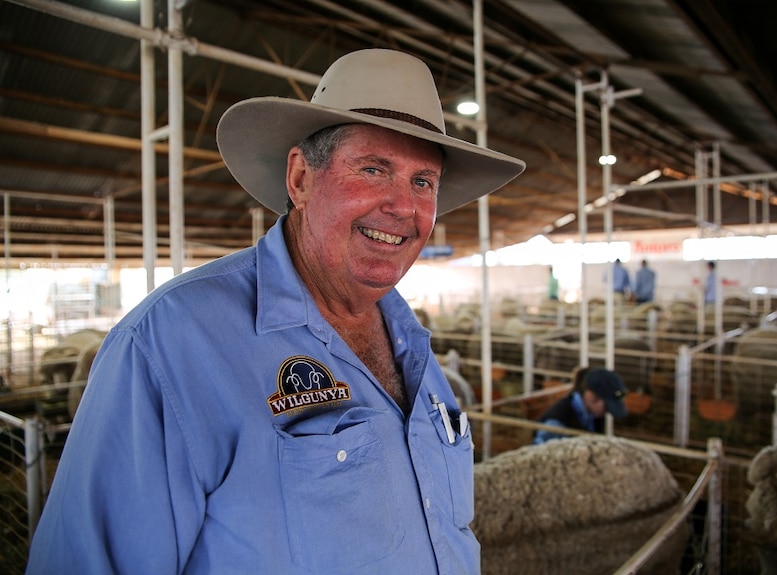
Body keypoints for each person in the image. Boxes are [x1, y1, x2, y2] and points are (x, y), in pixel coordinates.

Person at [26, 49, 525, 574]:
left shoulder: (412, 344)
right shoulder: (170, 344)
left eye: (423, 182)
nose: (404, 206)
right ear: (300, 179)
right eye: (375, 169)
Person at [533, 367, 628, 444]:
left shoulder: (594, 414)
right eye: (607, 407)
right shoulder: (555, 424)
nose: (606, 412)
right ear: (591, 396)